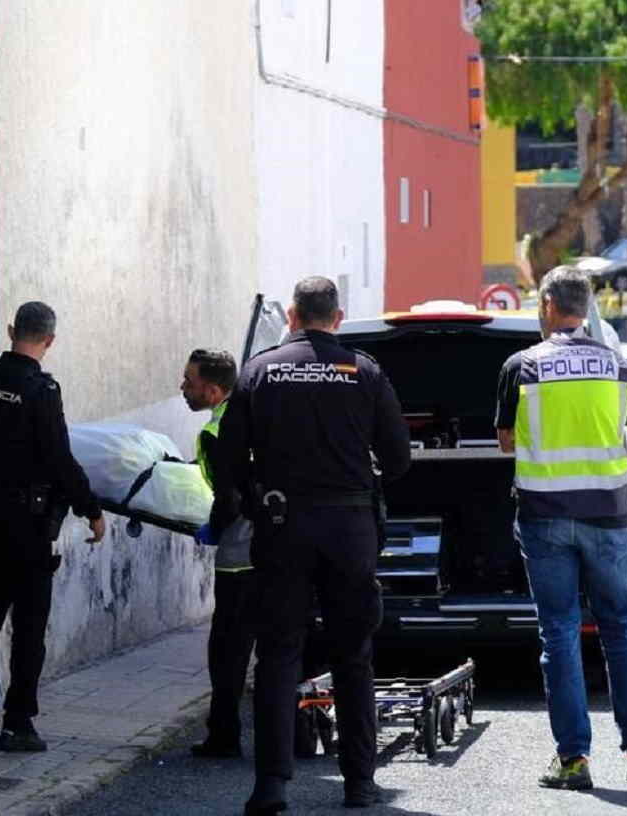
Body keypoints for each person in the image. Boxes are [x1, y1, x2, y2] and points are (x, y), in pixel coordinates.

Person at [207, 277, 411, 813]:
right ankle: (360, 785)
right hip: (349, 529)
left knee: (278, 655)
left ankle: (271, 786)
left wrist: (255, 501)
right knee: (353, 657)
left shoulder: (260, 370)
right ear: (337, 317)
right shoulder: (364, 370)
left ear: (293, 315)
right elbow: (399, 459)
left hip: (282, 525)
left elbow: (228, 461)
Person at [494, 266, 627, 791]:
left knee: (560, 634)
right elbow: (620, 428)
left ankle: (573, 761)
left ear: (547, 304)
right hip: (609, 515)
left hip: (546, 516)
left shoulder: (520, 366)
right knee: (621, 631)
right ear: (587, 306)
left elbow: (506, 441)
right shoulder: (617, 366)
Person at [0, 301, 105, 752]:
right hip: (29, 525)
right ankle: (18, 723)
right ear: (49, 341)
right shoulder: (41, 390)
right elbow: (59, 458)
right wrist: (90, 508)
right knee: (30, 624)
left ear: (12, 329)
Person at [180, 348, 256, 760]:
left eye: (188, 382)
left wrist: (215, 526)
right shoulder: (256, 413)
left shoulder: (220, 428)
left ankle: (223, 736)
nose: (182, 388)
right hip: (279, 550)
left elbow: (229, 494)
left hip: (240, 557)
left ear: (212, 390)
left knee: (227, 652)